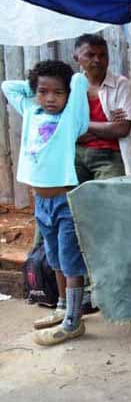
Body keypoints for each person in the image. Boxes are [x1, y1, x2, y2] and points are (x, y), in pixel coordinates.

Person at [2, 61, 90, 345]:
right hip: (41, 202)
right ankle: (62, 307)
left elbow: (78, 81)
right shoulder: (31, 110)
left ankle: (74, 322)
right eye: (43, 92)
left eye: (57, 93)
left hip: (65, 202)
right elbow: (8, 86)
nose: (50, 98)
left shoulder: (71, 120)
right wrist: (33, 89)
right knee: (53, 257)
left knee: (70, 260)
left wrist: (69, 82)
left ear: (67, 95)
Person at [73, 34, 131, 180]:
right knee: (71, 198)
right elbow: (65, 130)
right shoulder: (70, 87)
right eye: (90, 55)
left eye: (103, 55)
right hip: (75, 153)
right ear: (76, 57)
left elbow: (122, 129)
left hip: (110, 155)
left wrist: (82, 125)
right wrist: (108, 125)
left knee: (110, 198)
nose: (97, 60)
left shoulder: (122, 86)